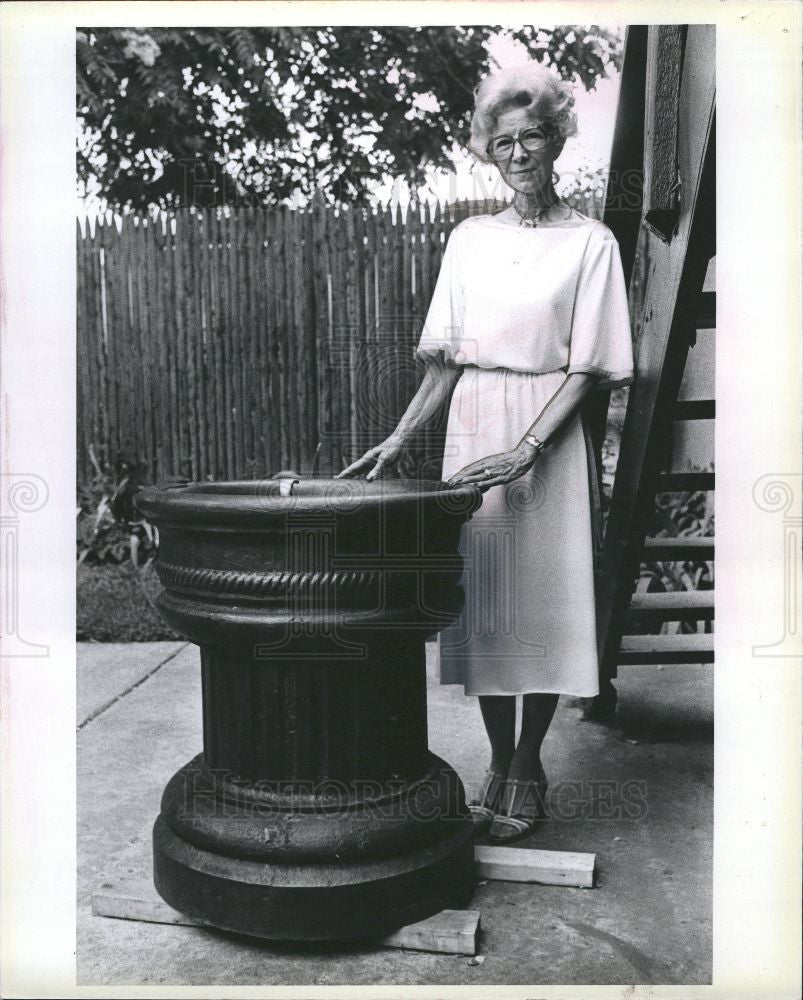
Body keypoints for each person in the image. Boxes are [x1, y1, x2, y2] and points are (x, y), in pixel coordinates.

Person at [337, 61, 634, 843]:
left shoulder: (590, 243)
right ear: (488, 152)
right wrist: (399, 439)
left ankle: (528, 763)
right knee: (491, 607)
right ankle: (497, 757)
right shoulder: (469, 240)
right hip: (473, 431)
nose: (519, 153)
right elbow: (446, 359)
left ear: (555, 139)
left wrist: (529, 449)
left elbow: (590, 366)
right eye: (503, 142)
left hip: (550, 432)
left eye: (531, 135)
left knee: (542, 604)